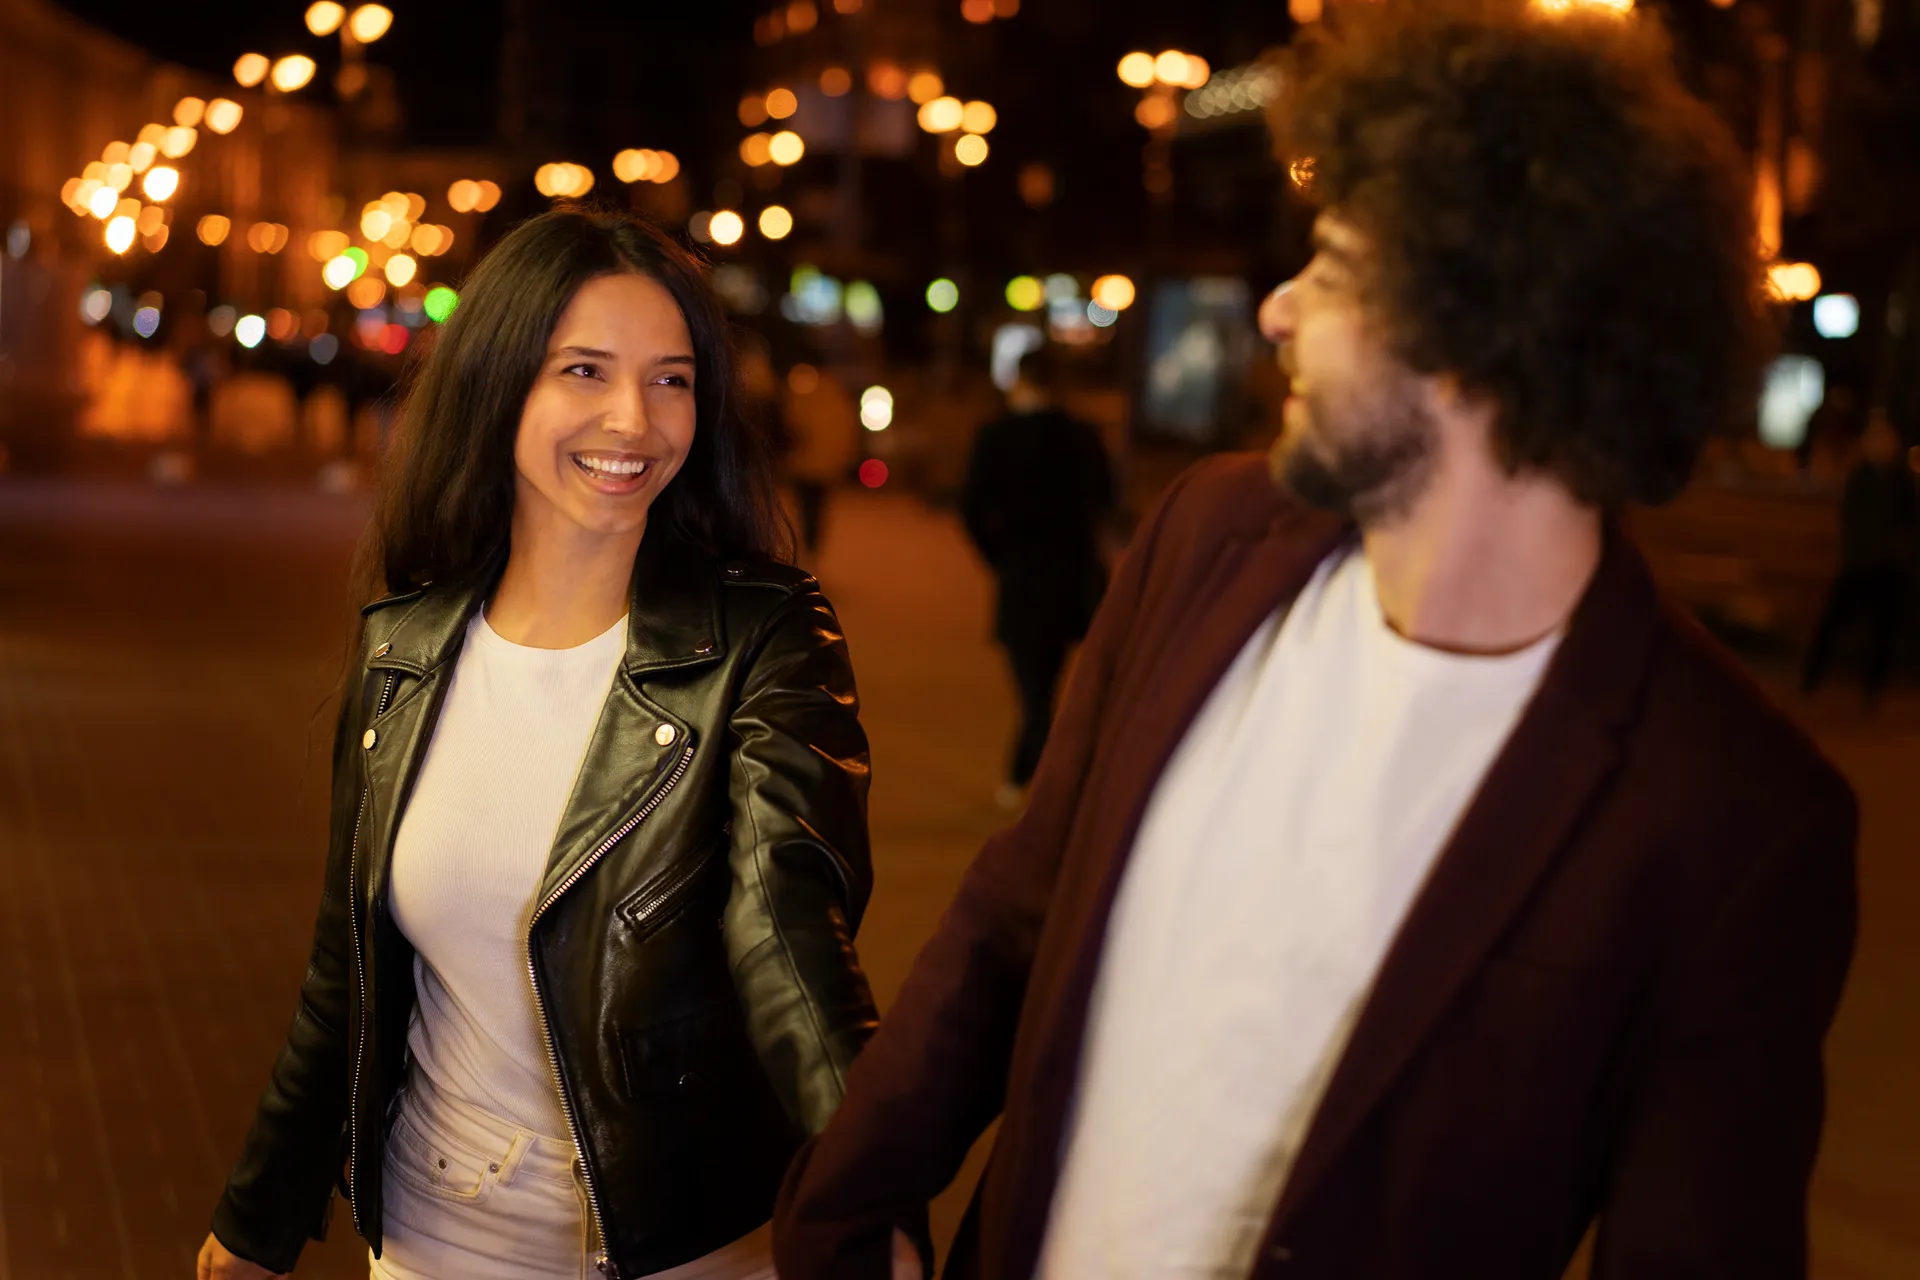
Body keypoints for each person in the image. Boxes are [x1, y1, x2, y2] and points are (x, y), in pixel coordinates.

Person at [773, 6, 1858, 1279]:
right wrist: (851, 1208)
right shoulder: (1209, 539)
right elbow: (1018, 908)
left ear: (1475, 337)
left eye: (1333, 270)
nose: (1278, 313)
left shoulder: (1737, 815)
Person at [199, 209, 886, 1280]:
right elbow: (349, 970)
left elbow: (789, 936)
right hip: (436, 1244)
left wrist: (869, 1187)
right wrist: (256, 1217)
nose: (635, 419)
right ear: (499, 383)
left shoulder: (764, 638)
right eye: (584, 370)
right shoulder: (407, 648)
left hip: (687, 1251)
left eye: (671, 379)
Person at [960, 347, 1114, 807]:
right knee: (1054, 684)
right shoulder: (1084, 436)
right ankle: (1034, 773)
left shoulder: (996, 435)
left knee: (1034, 689)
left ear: (1020, 382)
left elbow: (971, 510)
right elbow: (1105, 499)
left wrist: (998, 557)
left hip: (1023, 579)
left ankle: (1034, 775)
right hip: (1073, 578)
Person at [1802, 407, 1916, 704]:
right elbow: (1851, 518)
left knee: (1882, 635)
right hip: (1857, 563)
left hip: (1887, 568)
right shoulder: (1860, 478)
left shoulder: (1901, 482)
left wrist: (1895, 553)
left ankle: (1871, 693)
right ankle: (1810, 681)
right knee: (1832, 624)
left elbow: (1909, 523)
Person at [781, 363, 860, 555]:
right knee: (813, 507)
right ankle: (811, 543)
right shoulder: (834, 399)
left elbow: (793, 427)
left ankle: (810, 543)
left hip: (809, 465)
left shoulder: (808, 397)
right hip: (816, 466)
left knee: (810, 507)